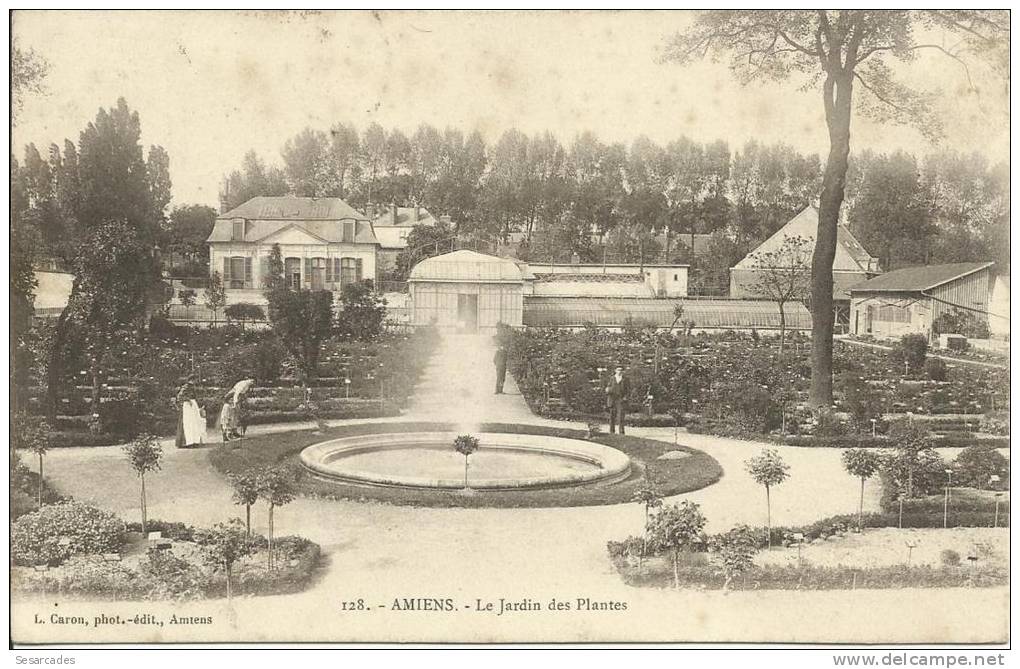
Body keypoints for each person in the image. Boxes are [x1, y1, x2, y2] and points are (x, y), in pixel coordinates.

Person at [605, 365, 630, 435]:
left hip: (620, 399)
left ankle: (621, 432)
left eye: (621, 370)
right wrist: (608, 390)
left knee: (621, 416)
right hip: (612, 399)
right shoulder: (612, 378)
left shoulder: (625, 379)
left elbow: (628, 390)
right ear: (615, 371)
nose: (619, 371)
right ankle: (611, 431)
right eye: (618, 370)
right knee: (612, 416)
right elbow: (608, 387)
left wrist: (625, 397)